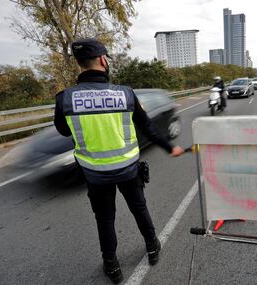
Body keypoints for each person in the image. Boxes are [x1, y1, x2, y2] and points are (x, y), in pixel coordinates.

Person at [54, 38, 184, 283]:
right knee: (139, 209)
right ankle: (152, 246)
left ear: (79, 64)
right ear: (103, 60)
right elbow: (148, 128)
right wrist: (170, 147)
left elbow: (63, 130)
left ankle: (111, 264)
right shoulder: (125, 94)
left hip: (94, 173)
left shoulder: (65, 98)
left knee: (105, 219)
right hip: (128, 169)